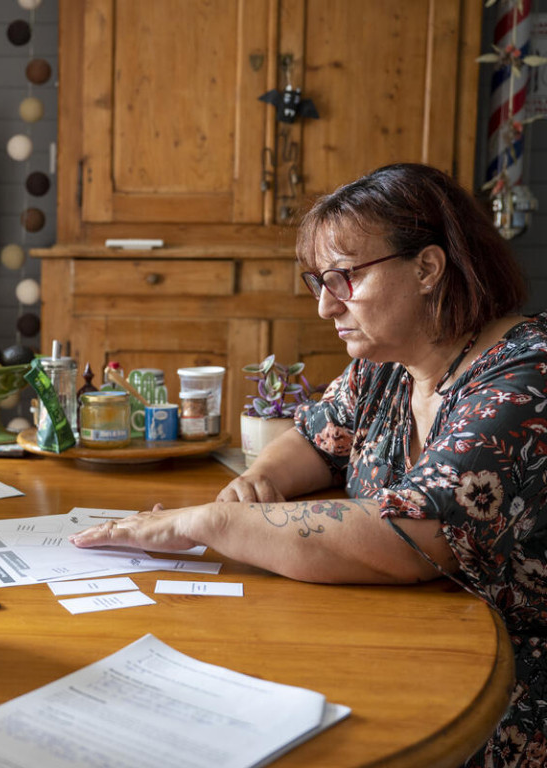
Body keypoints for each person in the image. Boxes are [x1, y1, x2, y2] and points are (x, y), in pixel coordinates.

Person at [70, 163, 546, 767]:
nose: (326, 306)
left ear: (427, 268)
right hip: (406, 642)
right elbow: (312, 441)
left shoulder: (525, 374)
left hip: (504, 685)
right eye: (319, 281)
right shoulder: (386, 365)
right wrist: (258, 481)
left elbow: (414, 534)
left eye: (344, 278)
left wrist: (205, 524)